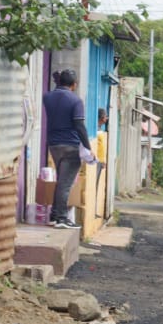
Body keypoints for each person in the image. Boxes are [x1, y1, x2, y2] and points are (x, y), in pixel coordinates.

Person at [44, 67, 89, 229]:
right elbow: (79, 125)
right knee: (65, 183)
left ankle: (55, 216)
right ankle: (62, 218)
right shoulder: (75, 101)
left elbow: (56, 95)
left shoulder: (48, 97)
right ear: (74, 84)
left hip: (54, 145)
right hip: (70, 145)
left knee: (61, 181)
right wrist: (88, 148)